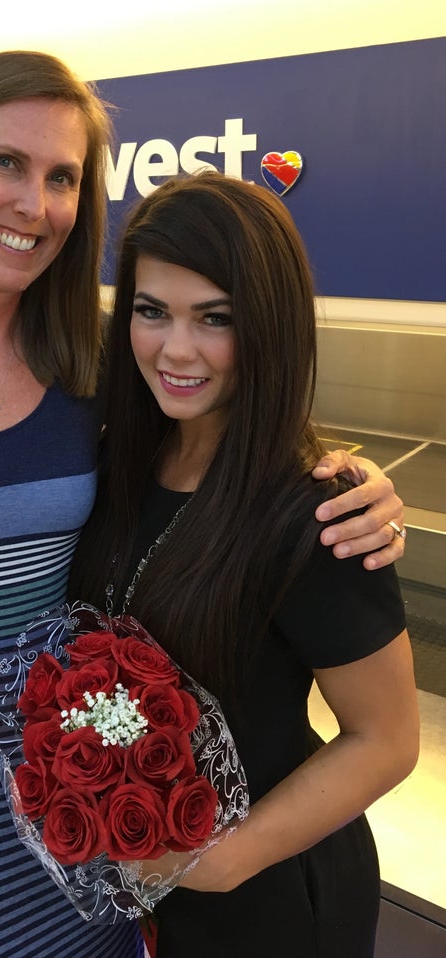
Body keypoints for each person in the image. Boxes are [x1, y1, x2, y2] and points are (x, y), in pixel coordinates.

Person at [0, 50, 404, 958]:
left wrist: (353, 483)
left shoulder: (90, 369)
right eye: (7, 163)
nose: (35, 204)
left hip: (93, 803)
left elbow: (228, 433)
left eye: (63, 176)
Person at [67, 171, 419, 957]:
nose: (176, 349)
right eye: (152, 312)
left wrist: (224, 860)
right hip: (154, 883)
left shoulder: (320, 512)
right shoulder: (122, 463)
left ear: (268, 326)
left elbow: (388, 738)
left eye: (214, 319)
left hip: (272, 895)